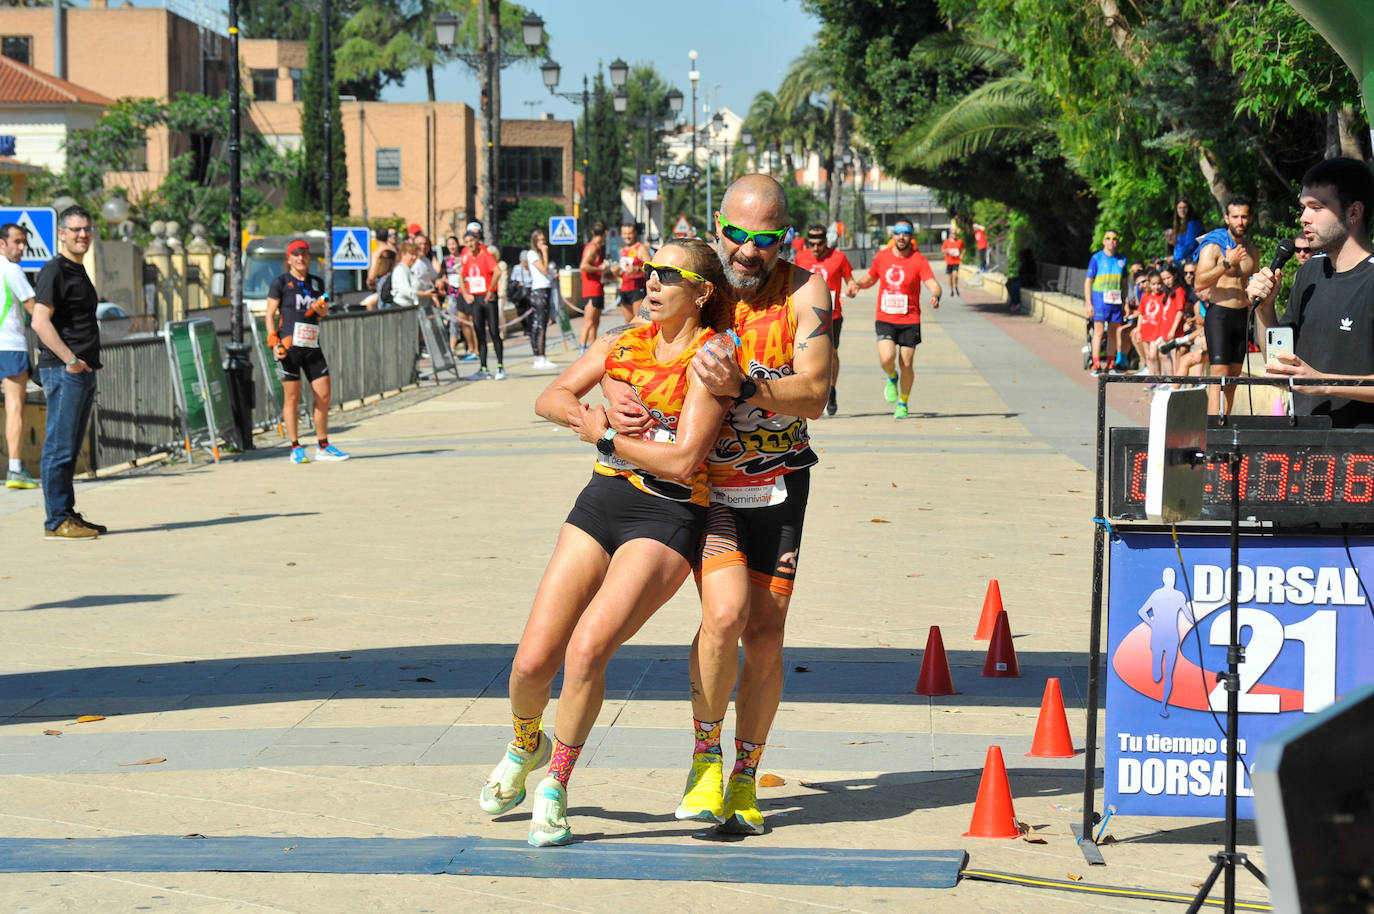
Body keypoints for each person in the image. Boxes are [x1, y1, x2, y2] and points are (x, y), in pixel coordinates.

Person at [478, 238, 732, 847]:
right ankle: (524, 744)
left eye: (669, 274)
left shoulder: (713, 355)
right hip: (602, 502)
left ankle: (555, 785)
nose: (652, 281)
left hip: (667, 515)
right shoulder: (621, 343)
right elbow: (549, 397)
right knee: (531, 662)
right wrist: (596, 411)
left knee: (588, 649)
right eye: (649, 271)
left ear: (701, 293)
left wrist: (606, 439)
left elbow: (684, 460)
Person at [1249, 157, 1374, 428]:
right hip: (1303, 443)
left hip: (1361, 455)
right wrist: (1265, 309)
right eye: (1303, 207)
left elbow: (1313, 381)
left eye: (1316, 207)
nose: (1304, 217)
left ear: (1354, 212)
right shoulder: (1309, 273)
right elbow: (1278, 360)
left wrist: (1323, 383)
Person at [30, 206, 103, 539]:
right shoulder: (54, 271)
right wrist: (70, 360)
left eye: (86, 229)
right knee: (59, 446)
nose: (82, 235)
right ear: (61, 233)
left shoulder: (78, 269)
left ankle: (67, 513)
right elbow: (39, 322)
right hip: (64, 371)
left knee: (71, 446)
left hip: (81, 370)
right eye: (75, 230)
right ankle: (56, 519)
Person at [265, 239, 350, 464]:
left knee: (323, 395)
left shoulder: (317, 283)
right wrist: (274, 340)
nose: (300, 258)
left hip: (311, 344)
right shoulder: (281, 282)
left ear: (309, 258)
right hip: (289, 346)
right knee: (292, 397)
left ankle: (323, 445)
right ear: (289, 258)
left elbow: (322, 313)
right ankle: (295, 446)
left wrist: (319, 309)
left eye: (303, 255)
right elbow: (270, 313)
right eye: (296, 255)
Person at [854, 217, 943, 419]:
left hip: (909, 318)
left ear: (911, 237)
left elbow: (932, 283)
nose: (901, 236)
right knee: (887, 358)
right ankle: (892, 376)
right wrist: (858, 285)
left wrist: (936, 295)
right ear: (893, 235)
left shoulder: (918, 260)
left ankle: (903, 402)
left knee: (907, 363)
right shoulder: (882, 256)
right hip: (885, 316)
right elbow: (870, 278)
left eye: (906, 233)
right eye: (898, 232)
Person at [1194, 197, 1258, 415]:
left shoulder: (1251, 251)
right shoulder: (1214, 247)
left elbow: (1252, 282)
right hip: (1219, 314)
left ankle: (1224, 423)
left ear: (1249, 219)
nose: (1240, 221)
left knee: (1233, 377)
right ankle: (1213, 428)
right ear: (1227, 218)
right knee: (1218, 374)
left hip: (1241, 316)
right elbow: (1199, 282)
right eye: (1236, 217)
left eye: (1244, 216)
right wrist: (1226, 264)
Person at [794, 224, 857, 416]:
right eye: (811, 244)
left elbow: (850, 280)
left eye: (819, 244)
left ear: (826, 241)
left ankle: (831, 389)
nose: (815, 248)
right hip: (805, 315)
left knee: (831, 354)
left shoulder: (839, 258)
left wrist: (853, 288)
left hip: (831, 316)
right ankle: (806, 393)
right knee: (802, 354)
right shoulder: (800, 257)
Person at [0, 222, 37, 489]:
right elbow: (34, 308)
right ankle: (15, 470)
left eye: (24, 242)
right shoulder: (12, 270)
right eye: (17, 242)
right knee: (14, 406)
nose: (22, 247)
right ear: (2, 244)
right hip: (9, 345)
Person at [460, 229, 504, 380]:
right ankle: (483, 367)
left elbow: (497, 271)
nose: (470, 244)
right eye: (466, 242)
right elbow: (462, 276)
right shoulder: (468, 258)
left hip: (488, 298)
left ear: (477, 241)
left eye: (472, 241)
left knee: (493, 331)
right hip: (476, 299)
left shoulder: (486, 256)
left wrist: (491, 290)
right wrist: (465, 293)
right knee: (479, 333)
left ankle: (500, 367)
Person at [1083, 230, 1127, 376]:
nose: (1111, 241)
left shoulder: (1122, 260)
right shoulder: (1096, 258)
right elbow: (1088, 281)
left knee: (1113, 333)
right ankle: (1096, 363)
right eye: (1108, 238)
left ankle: (1110, 363)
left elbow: (1124, 283)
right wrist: (1089, 303)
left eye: (1114, 239)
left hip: (1115, 301)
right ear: (1103, 241)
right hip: (1099, 300)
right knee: (1099, 331)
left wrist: (1125, 302)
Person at [442, 235, 478, 359]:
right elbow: (441, 274)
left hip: (465, 293)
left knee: (469, 320)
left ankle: (473, 348)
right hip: (452, 293)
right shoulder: (445, 260)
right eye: (449, 244)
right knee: (454, 321)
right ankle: (452, 348)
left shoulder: (464, 257)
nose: (452, 246)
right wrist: (445, 281)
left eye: (454, 243)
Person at [526, 229, 556, 370]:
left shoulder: (538, 254)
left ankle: (541, 355)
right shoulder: (532, 254)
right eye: (540, 240)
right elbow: (543, 270)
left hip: (546, 288)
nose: (543, 243)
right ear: (534, 241)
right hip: (539, 291)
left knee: (543, 323)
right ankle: (538, 356)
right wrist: (545, 253)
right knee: (539, 324)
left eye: (544, 240)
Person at [611, 222, 651, 324]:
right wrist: (616, 272)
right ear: (621, 235)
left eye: (629, 233)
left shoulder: (640, 248)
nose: (627, 236)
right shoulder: (623, 251)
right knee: (628, 323)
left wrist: (637, 269)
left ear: (635, 233)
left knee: (639, 322)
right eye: (624, 234)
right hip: (624, 289)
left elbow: (651, 269)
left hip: (637, 289)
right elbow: (623, 273)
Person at [578, 222, 608, 355]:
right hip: (591, 289)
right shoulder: (592, 248)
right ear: (605, 233)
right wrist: (600, 269)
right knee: (589, 322)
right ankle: (581, 350)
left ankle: (591, 349)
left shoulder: (597, 248)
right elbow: (584, 266)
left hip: (597, 288)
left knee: (595, 322)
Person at [1171, 198, 1204, 264]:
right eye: (1179, 208)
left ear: (1189, 209)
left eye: (1185, 207)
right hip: (1181, 259)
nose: (1182, 210)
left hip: (1191, 261)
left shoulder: (1193, 223)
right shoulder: (1181, 225)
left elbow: (1190, 245)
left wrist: (1175, 257)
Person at [940, 229, 964, 298]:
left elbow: (964, 248)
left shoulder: (959, 241)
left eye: (954, 233)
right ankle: (951, 290)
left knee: (955, 275)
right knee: (950, 277)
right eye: (952, 233)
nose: (953, 235)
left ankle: (956, 286)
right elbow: (942, 250)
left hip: (956, 261)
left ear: (956, 234)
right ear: (950, 234)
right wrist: (947, 250)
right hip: (949, 261)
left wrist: (962, 254)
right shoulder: (947, 241)